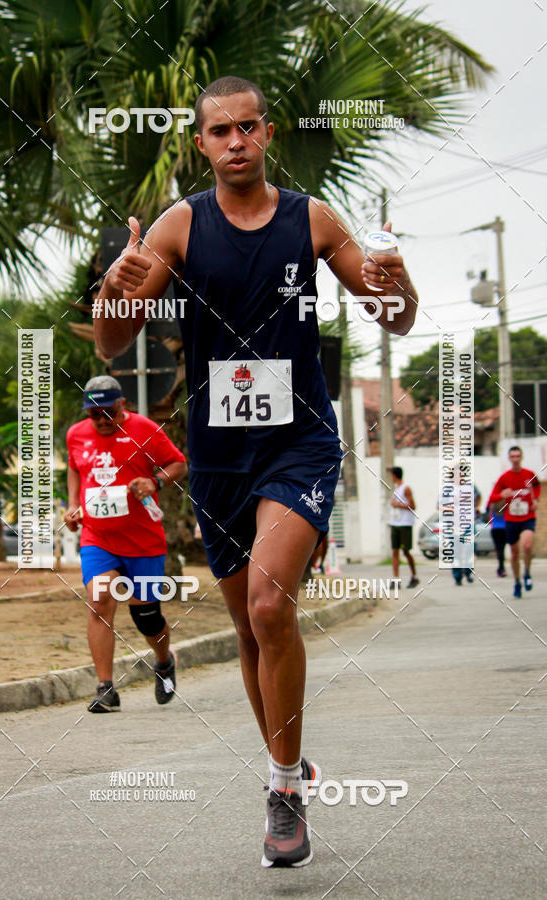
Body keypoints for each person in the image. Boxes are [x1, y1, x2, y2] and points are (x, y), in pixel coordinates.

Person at [93, 75, 418, 867]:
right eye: (220, 132)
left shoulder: (312, 220)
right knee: (247, 626)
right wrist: (115, 290)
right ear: (200, 144)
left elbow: (392, 313)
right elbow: (109, 345)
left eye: (248, 128)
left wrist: (400, 288)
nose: (235, 142)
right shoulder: (177, 227)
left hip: (299, 443)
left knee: (272, 605)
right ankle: (288, 761)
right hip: (218, 455)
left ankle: (282, 790)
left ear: (267, 134)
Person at [65, 375, 187, 711]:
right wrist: (73, 503)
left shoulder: (145, 428)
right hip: (97, 537)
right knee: (100, 599)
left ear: (122, 405)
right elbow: (75, 467)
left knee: (146, 615)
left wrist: (155, 481)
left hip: (143, 540)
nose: (102, 421)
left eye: (108, 413)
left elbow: (178, 463)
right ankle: (106, 688)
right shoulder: (76, 434)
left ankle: (164, 660)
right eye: (94, 415)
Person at [488, 446, 540, 598]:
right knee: (515, 553)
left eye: (518, 456)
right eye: (513, 457)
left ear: (521, 457)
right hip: (511, 520)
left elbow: (536, 487)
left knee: (527, 545)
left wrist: (535, 500)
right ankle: (517, 582)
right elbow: (492, 498)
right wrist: (501, 495)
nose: (516, 459)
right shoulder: (504, 477)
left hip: (528, 517)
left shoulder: (529, 474)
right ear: (509, 459)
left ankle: (527, 573)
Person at [388, 466, 419, 588]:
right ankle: (396, 580)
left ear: (395, 476)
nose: (391, 477)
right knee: (395, 551)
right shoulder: (397, 489)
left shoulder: (406, 489)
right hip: (395, 523)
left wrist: (397, 504)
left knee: (406, 552)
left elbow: (413, 506)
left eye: (391, 475)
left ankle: (414, 576)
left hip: (405, 523)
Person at [487, 500, 507, 577]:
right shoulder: (506, 504)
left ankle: (501, 567)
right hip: (505, 527)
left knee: (499, 549)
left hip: (495, 528)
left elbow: (489, 515)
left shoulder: (492, 504)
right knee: (503, 548)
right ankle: (501, 567)